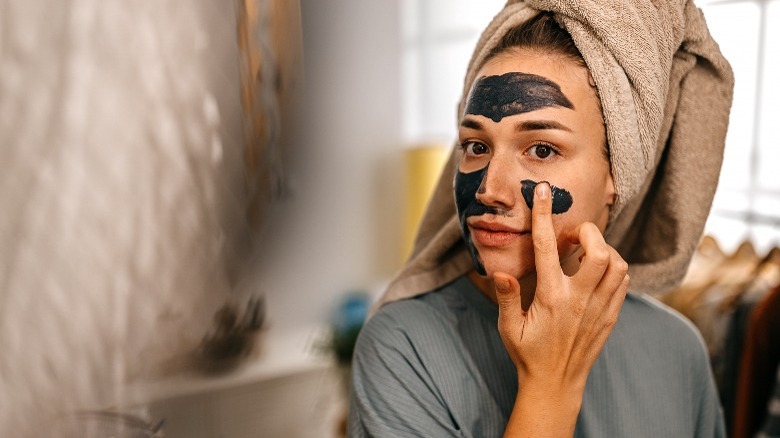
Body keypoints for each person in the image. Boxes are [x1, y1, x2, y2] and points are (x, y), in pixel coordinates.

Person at [349, 1, 734, 436]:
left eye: (542, 150)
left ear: (617, 176)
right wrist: (549, 384)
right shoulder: (402, 348)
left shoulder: (676, 350)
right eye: (476, 145)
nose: (490, 190)